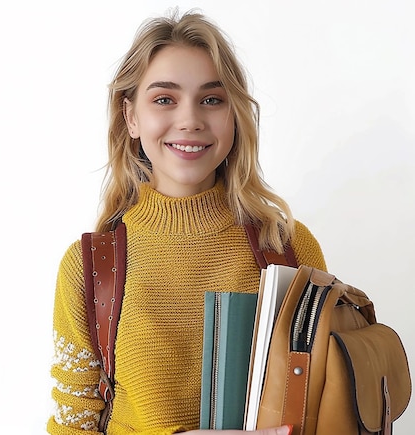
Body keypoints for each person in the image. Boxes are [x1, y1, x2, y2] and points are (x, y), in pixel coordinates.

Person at [48, 9, 326, 435]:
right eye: (164, 99)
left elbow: (327, 403)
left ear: (234, 115)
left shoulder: (289, 247)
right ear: (131, 117)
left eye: (212, 99)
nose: (190, 119)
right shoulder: (90, 268)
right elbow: (73, 427)